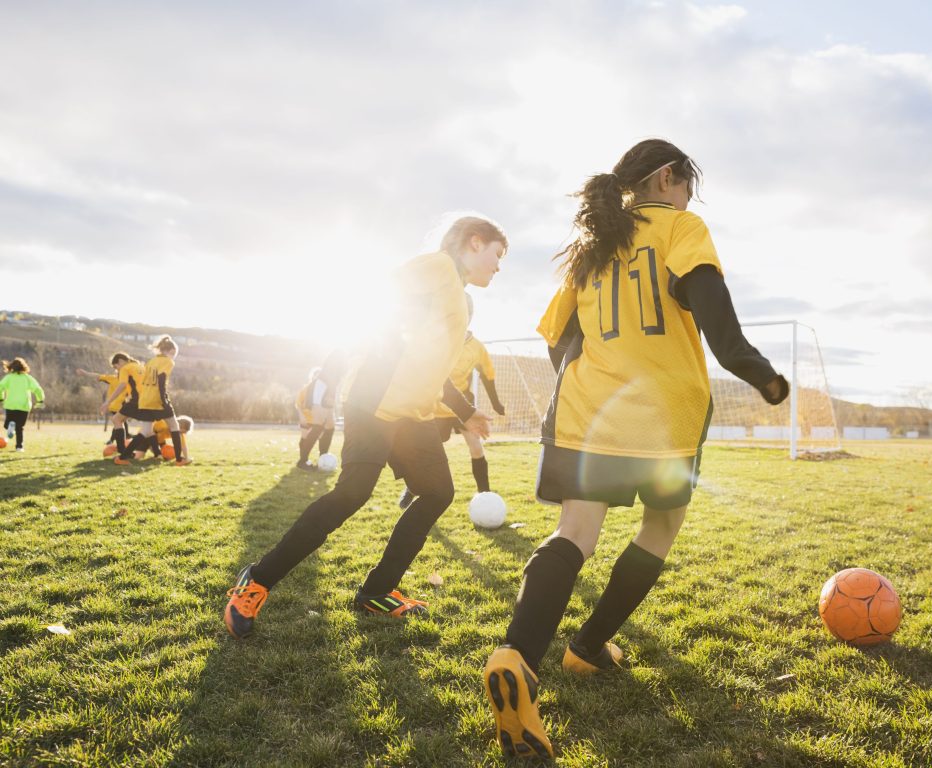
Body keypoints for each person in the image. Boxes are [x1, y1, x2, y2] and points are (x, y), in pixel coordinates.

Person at [482, 139, 790, 759]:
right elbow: (724, 337)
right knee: (661, 527)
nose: (687, 199)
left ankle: (517, 655)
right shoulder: (682, 227)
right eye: (687, 187)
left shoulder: (591, 248)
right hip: (662, 417)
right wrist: (767, 379)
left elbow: (556, 342)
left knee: (575, 532)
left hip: (587, 410)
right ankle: (588, 646)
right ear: (669, 178)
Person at [224, 215, 507, 639]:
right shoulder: (439, 267)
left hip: (412, 415)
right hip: (374, 402)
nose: (499, 266)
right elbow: (379, 298)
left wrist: (465, 410)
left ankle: (377, 592)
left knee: (438, 493)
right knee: (353, 493)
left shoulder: (455, 296)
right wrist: (355, 360)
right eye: (497, 254)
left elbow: (437, 370)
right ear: (474, 242)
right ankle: (256, 580)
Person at [398, 293, 506, 509]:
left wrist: (495, 403)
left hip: (464, 407)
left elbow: (488, 374)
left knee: (476, 447)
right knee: (429, 452)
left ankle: (484, 495)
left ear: (470, 316)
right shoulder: (436, 341)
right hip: (437, 405)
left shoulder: (477, 347)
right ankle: (412, 488)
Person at [115, 335, 190, 466]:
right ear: (170, 351)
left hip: (145, 400)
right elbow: (161, 379)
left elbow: (144, 382)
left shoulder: (151, 362)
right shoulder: (168, 361)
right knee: (174, 426)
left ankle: (122, 457)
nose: (173, 357)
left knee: (145, 431)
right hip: (157, 400)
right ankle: (179, 460)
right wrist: (164, 400)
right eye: (174, 354)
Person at [294, 351, 346, 470]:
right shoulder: (334, 363)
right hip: (320, 390)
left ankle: (323, 458)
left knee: (330, 426)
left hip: (328, 393)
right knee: (318, 425)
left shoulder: (340, 370)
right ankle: (302, 461)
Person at [76, 352, 135, 449]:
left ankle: (119, 442)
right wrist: (85, 373)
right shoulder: (113, 378)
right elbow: (98, 376)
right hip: (114, 406)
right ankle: (118, 442)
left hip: (122, 405)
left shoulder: (129, 380)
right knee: (119, 422)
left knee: (119, 422)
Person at [98, 353, 144, 459]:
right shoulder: (140, 366)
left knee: (116, 419)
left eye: (116, 367)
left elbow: (122, 385)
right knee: (146, 428)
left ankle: (123, 451)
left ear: (120, 361)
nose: (117, 370)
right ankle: (156, 452)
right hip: (147, 400)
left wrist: (107, 402)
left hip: (136, 400)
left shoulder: (125, 368)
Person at [0, 358, 45, 452]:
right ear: (24, 367)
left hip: (10, 405)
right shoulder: (28, 378)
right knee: (20, 427)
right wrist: (40, 401)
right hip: (24, 406)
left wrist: (1, 398)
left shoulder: (9, 377)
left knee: (8, 424)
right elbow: (38, 389)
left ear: (11, 367)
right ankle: (19, 447)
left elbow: (0, 387)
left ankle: (9, 427)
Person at [127, 415, 194, 461]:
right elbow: (150, 433)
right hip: (145, 437)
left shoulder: (179, 433)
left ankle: (157, 455)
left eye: (183, 433)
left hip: (159, 441)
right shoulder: (163, 424)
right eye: (181, 432)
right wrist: (157, 452)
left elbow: (183, 446)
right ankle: (127, 453)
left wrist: (186, 458)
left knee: (168, 454)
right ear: (178, 425)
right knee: (138, 458)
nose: (181, 434)